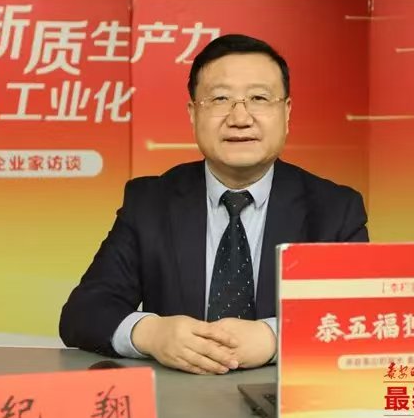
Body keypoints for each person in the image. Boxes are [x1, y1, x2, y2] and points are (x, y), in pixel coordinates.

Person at [59, 34, 368, 375]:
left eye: (259, 98)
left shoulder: (335, 209)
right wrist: (151, 333)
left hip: (290, 397)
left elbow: (362, 317)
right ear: (193, 114)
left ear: (286, 112)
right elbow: (83, 312)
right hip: (179, 397)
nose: (240, 117)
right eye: (220, 99)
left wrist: (275, 337)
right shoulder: (150, 202)